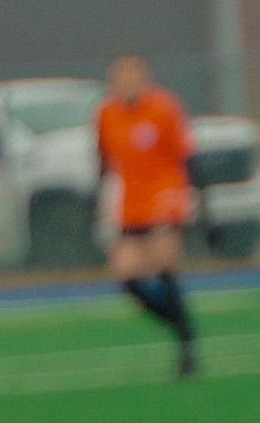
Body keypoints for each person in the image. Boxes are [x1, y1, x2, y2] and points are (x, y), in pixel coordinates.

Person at [95, 52, 203, 376]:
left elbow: (185, 155)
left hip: (165, 198)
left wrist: (202, 202)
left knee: (163, 265)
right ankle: (181, 326)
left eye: (134, 75)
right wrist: (95, 202)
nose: (128, 82)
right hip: (131, 205)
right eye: (120, 77)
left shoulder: (163, 108)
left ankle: (186, 351)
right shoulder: (106, 114)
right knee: (127, 276)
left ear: (145, 79)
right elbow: (102, 160)